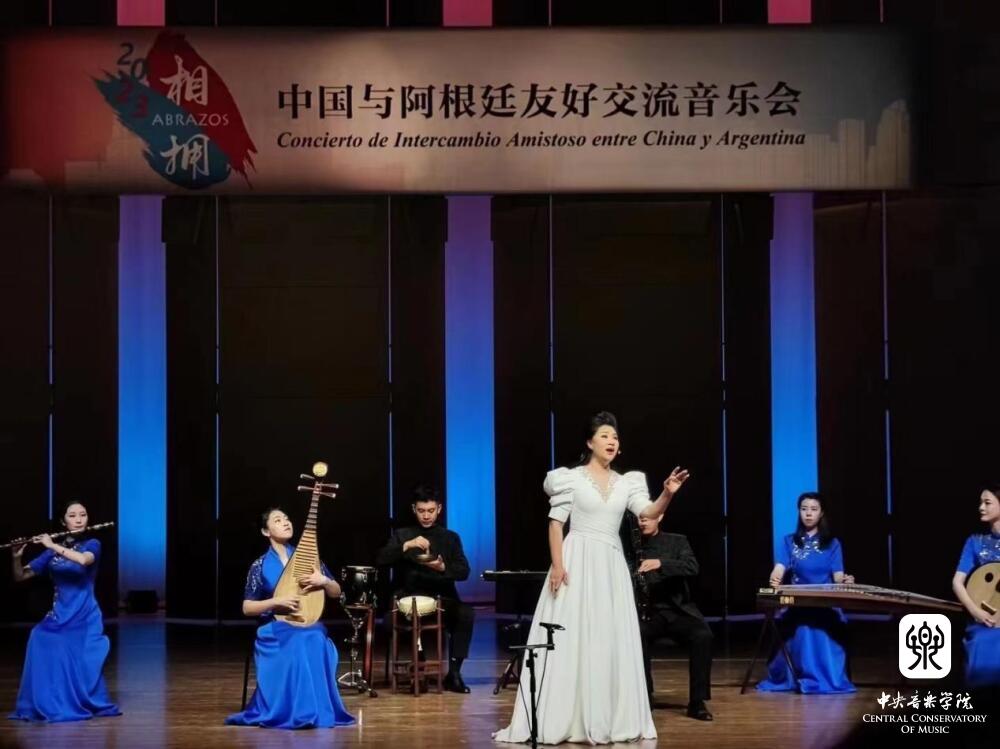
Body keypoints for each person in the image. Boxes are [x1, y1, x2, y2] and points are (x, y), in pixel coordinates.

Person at [494, 411, 690, 745]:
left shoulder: (627, 482)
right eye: (604, 435)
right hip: (577, 559)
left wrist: (668, 492)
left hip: (610, 564)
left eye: (615, 436)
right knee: (571, 634)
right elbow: (556, 524)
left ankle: (607, 716)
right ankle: (566, 715)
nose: (611, 441)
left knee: (607, 635)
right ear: (589, 442)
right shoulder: (570, 479)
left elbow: (648, 511)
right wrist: (558, 565)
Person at [225, 507, 354, 729]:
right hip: (274, 627)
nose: (286, 522)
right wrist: (276, 602)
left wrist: (323, 581)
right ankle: (295, 711)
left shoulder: (308, 557)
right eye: (277, 520)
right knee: (300, 641)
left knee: (316, 638)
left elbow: (336, 592)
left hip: (307, 624)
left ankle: (315, 710)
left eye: (287, 518)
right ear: (266, 531)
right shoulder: (260, 565)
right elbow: (247, 608)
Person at [8, 501, 121, 722]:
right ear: (63, 521)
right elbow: (20, 576)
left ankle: (73, 700)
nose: (79, 519)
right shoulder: (52, 551)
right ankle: (49, 701)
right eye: (72, 515)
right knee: (38, 637)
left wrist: (51, 545)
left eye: (83, 514)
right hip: (60, 613)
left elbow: (83, 560)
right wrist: (16, 557)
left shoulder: (92, 544)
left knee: (65, 647)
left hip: (84, 614)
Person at [376, 484, 474, 693]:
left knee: (466, 614)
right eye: (421, 511)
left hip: (443, 599)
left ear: (439, 509)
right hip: (408, 598)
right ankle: (418, 670)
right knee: (391, 621)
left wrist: (442, 567)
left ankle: (454, 674)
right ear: (414, 509)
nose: (426, 516)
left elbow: (464, 571)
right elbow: (381, 559)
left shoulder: (450, 537)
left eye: (431, 510)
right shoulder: (403, 534)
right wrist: (406, 545)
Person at [757, 492, 856, 694]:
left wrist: (845, 580)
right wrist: (775, 577)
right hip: (798, 605)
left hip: (825, 605)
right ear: (799, 512)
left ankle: (824, 677)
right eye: (804, 509)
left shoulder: (833, 543)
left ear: (821, 513)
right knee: (800, 628)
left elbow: (838, 576)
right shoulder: (789, 541)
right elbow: (780, 567)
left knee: (823, 627)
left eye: (813, 509)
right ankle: (798, 675)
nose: (808, 514)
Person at [635, 512, 714, 721]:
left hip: (678, 611)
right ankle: (645, 697)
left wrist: (661, 563)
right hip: (648, 613)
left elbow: (692, 567)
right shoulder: (631, 545)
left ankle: (697, 702)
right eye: (640, 518)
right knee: (635, 635)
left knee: (703, 636)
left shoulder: (677, 541)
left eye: (648, 517)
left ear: (659, 516)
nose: (643, 521)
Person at [951, 487, 1000, 689]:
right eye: (980, 502)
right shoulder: (975, 542)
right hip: (984, 618)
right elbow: (957, 582)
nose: (981, 507)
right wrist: (976, 612)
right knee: (981, 642)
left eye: (987, 503)